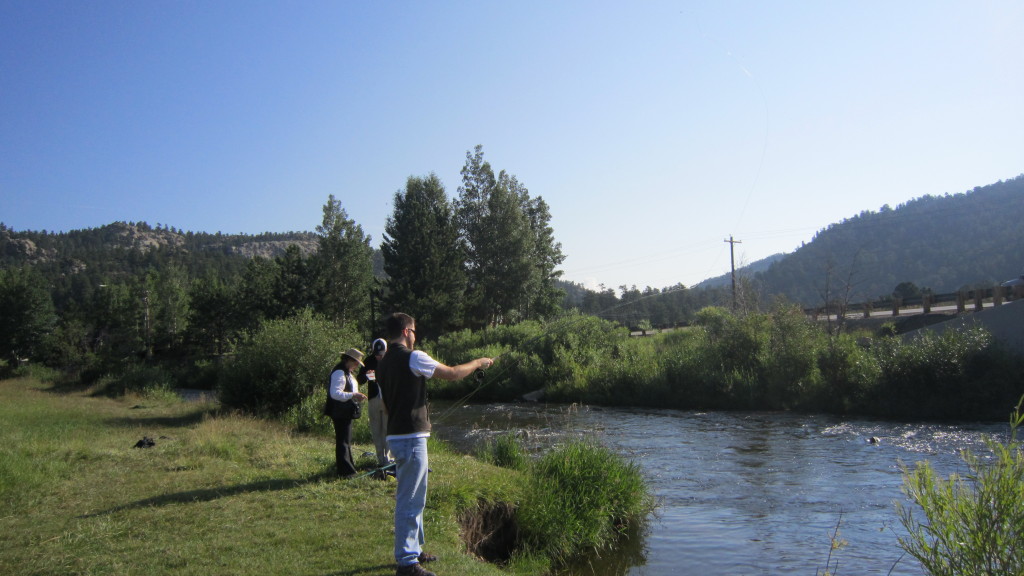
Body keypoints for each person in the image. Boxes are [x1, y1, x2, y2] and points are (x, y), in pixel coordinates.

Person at [377, 313, 493, 576]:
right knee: (409, 497)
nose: (415, 336)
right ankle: (407, 563)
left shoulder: (382, 364)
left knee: (416, 496)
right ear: (407, 331)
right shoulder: (414, 357)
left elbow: (385, 406)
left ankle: (415, 550)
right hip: (411, 438)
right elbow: (452, 374)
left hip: (397, 436)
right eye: (414, 331)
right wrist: (478, 362)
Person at [324, 348, 368, 478]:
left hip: (344, 411)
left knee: (346, 440)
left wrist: (354, 395)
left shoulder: (346, 373)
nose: (356, 366)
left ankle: (349, 468)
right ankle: (345, 472)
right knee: (343, 441)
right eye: (355, 363)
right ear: (349, 360)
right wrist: (353, 394)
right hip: (339, 411)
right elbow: (335, 393)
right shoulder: (339, 372)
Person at [357, 337, 392, 471]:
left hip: (388, 399)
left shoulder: (391, 361)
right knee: (376, 429)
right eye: (377, 355)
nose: (379, 357)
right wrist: (366, 375)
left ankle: (388, 457)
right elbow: (359, 381)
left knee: (387, 429)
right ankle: (380, 458)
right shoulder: (368, 361)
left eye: (381, 354)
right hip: (373, 399)